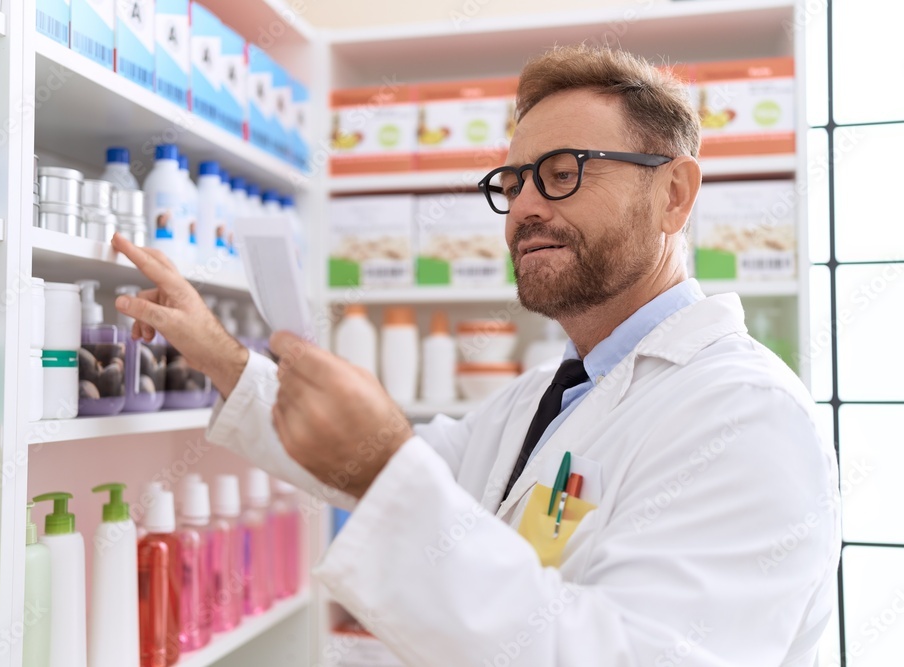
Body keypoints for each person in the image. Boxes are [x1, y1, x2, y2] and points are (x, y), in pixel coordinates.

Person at [112, 45, 839, 666]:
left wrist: (383, 465)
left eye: (562, 171)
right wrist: (224, 359)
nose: (524, 207)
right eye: (513, 181)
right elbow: (388, 462)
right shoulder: (547, 395)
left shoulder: (748, 418)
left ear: (674, 194)